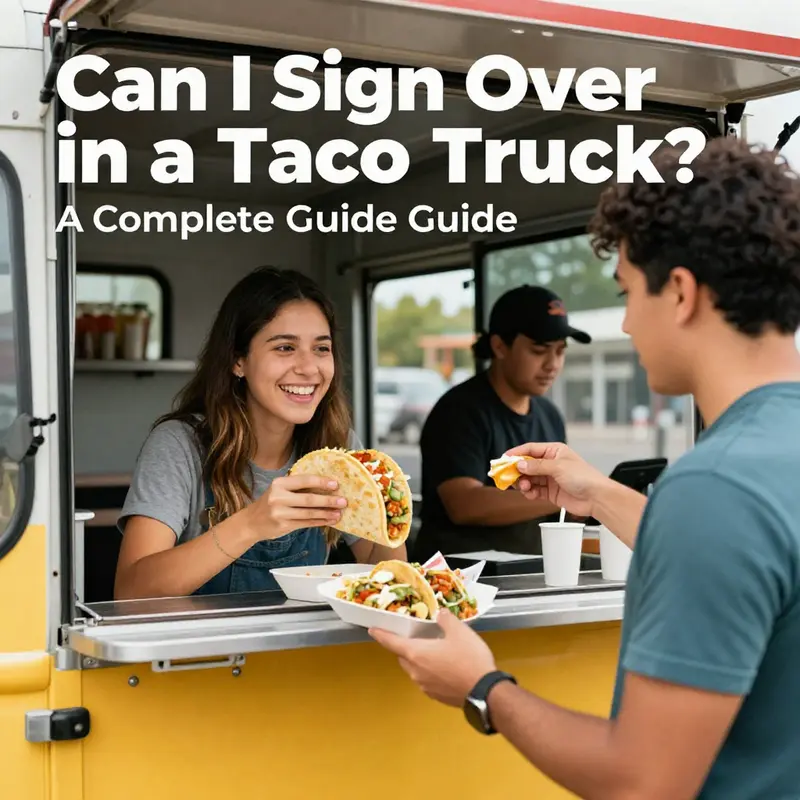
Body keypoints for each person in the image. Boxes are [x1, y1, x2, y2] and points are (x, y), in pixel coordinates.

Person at [370, 137, 800, 799]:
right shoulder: (758, 471)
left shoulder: (714, 488)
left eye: (628, 291)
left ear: (680, 292)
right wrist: (595, 492)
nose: (627, 322)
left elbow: (642, 784)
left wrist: (482, 687)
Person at [115, 266, 405, 600]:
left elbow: (384, 577)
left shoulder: (339, 445)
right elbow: (130, 594)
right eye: (285, 348)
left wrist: (390, 510)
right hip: (206, 651)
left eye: (321, 349)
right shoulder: (180, 445)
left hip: (305, 647)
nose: (309, 368)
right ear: (238, 360)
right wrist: (252, 524)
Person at [413, 284, 591, 561]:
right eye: (539, 350)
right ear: (499, 346)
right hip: (458, 582)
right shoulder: (459, 411)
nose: (553, 364)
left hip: (531, 574)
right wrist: (564, 495)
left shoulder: (550, 415)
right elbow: (464, 504)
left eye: (560, 351)